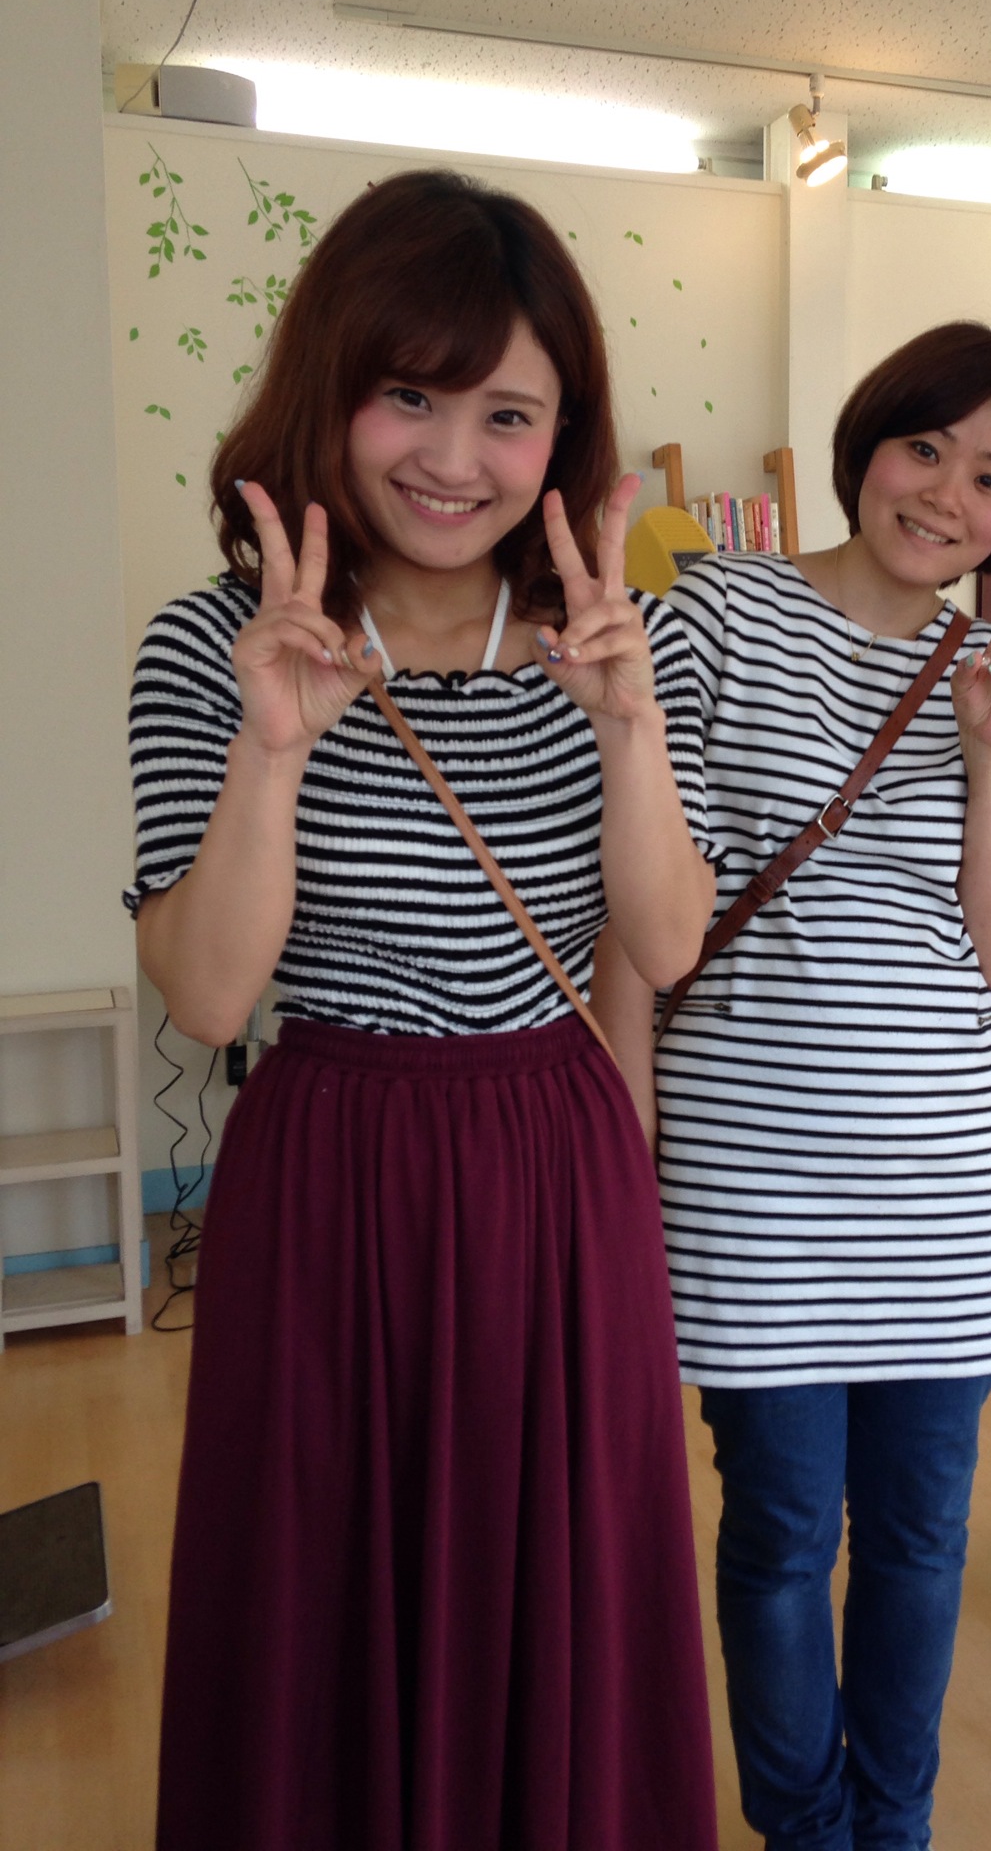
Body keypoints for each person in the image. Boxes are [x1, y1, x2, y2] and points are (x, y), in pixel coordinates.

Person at [126, 169, 719, 1850]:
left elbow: (665, 944)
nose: (455, 457)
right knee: (322, 1585)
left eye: (507, 414)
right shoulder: (212, 646)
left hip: (558, 1165)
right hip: (335, 1168)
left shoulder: (617, 643)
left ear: (561, 439)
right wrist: (274, 746)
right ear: (333, 388)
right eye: (410, 396)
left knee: (562, 1583)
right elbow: (212, 993)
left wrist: (627, 727)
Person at [599, 323, 991, 1850]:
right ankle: (805, 1830)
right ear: (867, 444)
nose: (946, 494)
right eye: (925, 447)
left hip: (943, 1178)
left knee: (924, 1535)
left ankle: (897, 1825)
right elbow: (645, 909)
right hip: (754, 1174)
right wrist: (624, 1140)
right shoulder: (716, 615)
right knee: (782, 1530)